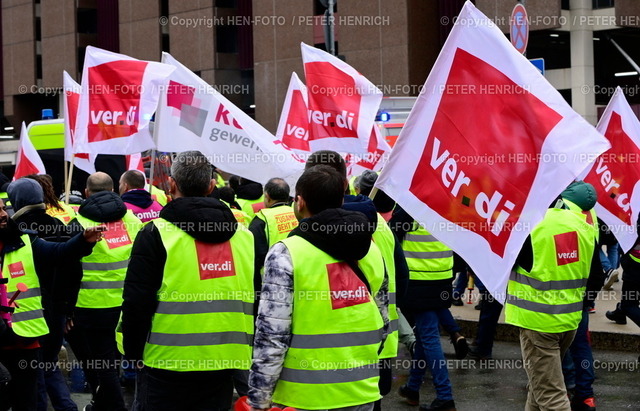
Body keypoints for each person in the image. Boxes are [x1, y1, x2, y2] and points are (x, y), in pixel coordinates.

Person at [122, 151, 255, 410]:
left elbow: (137, 300)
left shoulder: (155, 234)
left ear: (171, 185)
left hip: (166, 361)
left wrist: (133, 352)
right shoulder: (244, 236)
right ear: (211, 186)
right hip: (224, 358)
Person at [248, 165, 389, 411]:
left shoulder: (286, 254)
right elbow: (383, 322)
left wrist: (258, 400)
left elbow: (272, 336)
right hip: (361, 391)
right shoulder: (371, 249)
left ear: (299, 202)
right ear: (341, 199)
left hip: (302, 397)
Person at [304, 153, 409, 410]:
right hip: (375, 343)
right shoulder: (380, 227)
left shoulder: (298, 235)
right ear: (344, 184)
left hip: (312, 355)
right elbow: (402, 279)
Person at [0, 192, 103, 411]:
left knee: (29, 402)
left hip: (24, 339)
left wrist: (82, 241)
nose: (3, 215)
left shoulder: (26, 241)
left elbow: (60, 252)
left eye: (2, 209)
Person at [504, 197, 599, 411]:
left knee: (551, 397)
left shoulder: (528, 227)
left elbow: (504, 263)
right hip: (569, 321)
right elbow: (596, 276)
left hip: (538, 324)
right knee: (539, 388)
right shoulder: (581, 224)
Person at [66, 172, 142, 411]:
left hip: (90, 306)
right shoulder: (133, 220)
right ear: (114, 191)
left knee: (102, 363)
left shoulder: (78, 224)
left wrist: (67, 309)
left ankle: (113, 406)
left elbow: (68, 271)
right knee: (125, 360)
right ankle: (106, 403)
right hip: (127, 304)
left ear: (87, 193)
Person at [7, 178, 82, 411]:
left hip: (26, 318)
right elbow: (74, 273)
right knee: (48, 365)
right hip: (58, 312)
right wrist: (69, 309)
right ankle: (67, 407)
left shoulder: (16, 233)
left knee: (32, 376)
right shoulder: (59, 226)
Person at [391, 207, 458, 411]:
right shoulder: (449, 203)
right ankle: (412, 388)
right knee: (423, 334)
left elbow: (391, 236)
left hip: (419, 280)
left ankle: (445, 397)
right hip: (443, 277)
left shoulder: (411, 205)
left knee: (428, 336)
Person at [249, 177, 297, 275]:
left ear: (267, 196)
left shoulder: (261, 219)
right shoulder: (297, 213)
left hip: (272, 277)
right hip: (298, 271)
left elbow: (255, 257)